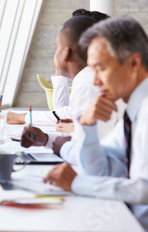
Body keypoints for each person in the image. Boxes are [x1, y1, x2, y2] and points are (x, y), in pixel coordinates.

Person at [43, 17, 148, 232]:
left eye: (100, 69)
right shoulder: (137, 108)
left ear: (133, 63)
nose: (95, 81)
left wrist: (77, 183)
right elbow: (100, 169)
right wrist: (86, 125)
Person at [19, 14, 124, 168]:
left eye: (57, 47)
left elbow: (91, 160)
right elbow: (91, 144)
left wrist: (56, 146)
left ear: (66, 53)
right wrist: (47, 139)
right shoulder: (91, 78)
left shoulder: (87, 85)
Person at [7, 9, 111, 129]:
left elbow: (64, 115)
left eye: (58, 47)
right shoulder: (85, 77)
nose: (55, 53)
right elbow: (63, 115)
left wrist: (22, 117)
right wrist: (59, 69)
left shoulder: (91, 82)